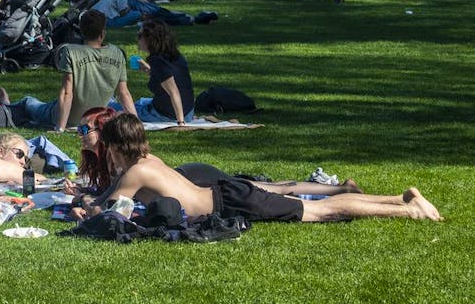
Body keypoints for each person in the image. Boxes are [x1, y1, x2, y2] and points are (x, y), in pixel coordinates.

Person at [77, 114, 442, 223]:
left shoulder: (134, 172)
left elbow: (104, 210)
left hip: (232, 202)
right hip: (228, 195)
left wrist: (83, 205)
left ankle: (410, 210)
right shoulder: (148, 160)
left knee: (322, 211)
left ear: (115, 145)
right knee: (315, 206)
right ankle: (400, 198)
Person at [0, 9, 136, 131]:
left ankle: (6, 106)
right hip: (96, 118)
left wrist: (61, 127)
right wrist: (136, 123)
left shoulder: (71, 52)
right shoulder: (117, 53)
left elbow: (67, 92)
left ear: (81, 31)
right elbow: (124, 93)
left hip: (67, 117)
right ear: (103, 32)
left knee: (28, 102)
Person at [127, 20, 194, 124]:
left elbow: (174, 91)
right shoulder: (175, 56)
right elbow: (169, 78)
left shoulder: (157, 61)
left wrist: (181, 122)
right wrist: (150, 70)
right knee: (139, 102)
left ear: (150, 39)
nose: (137, 39)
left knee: (119, 107)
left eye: (140, 35)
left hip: (167, 115)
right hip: (188, 111)